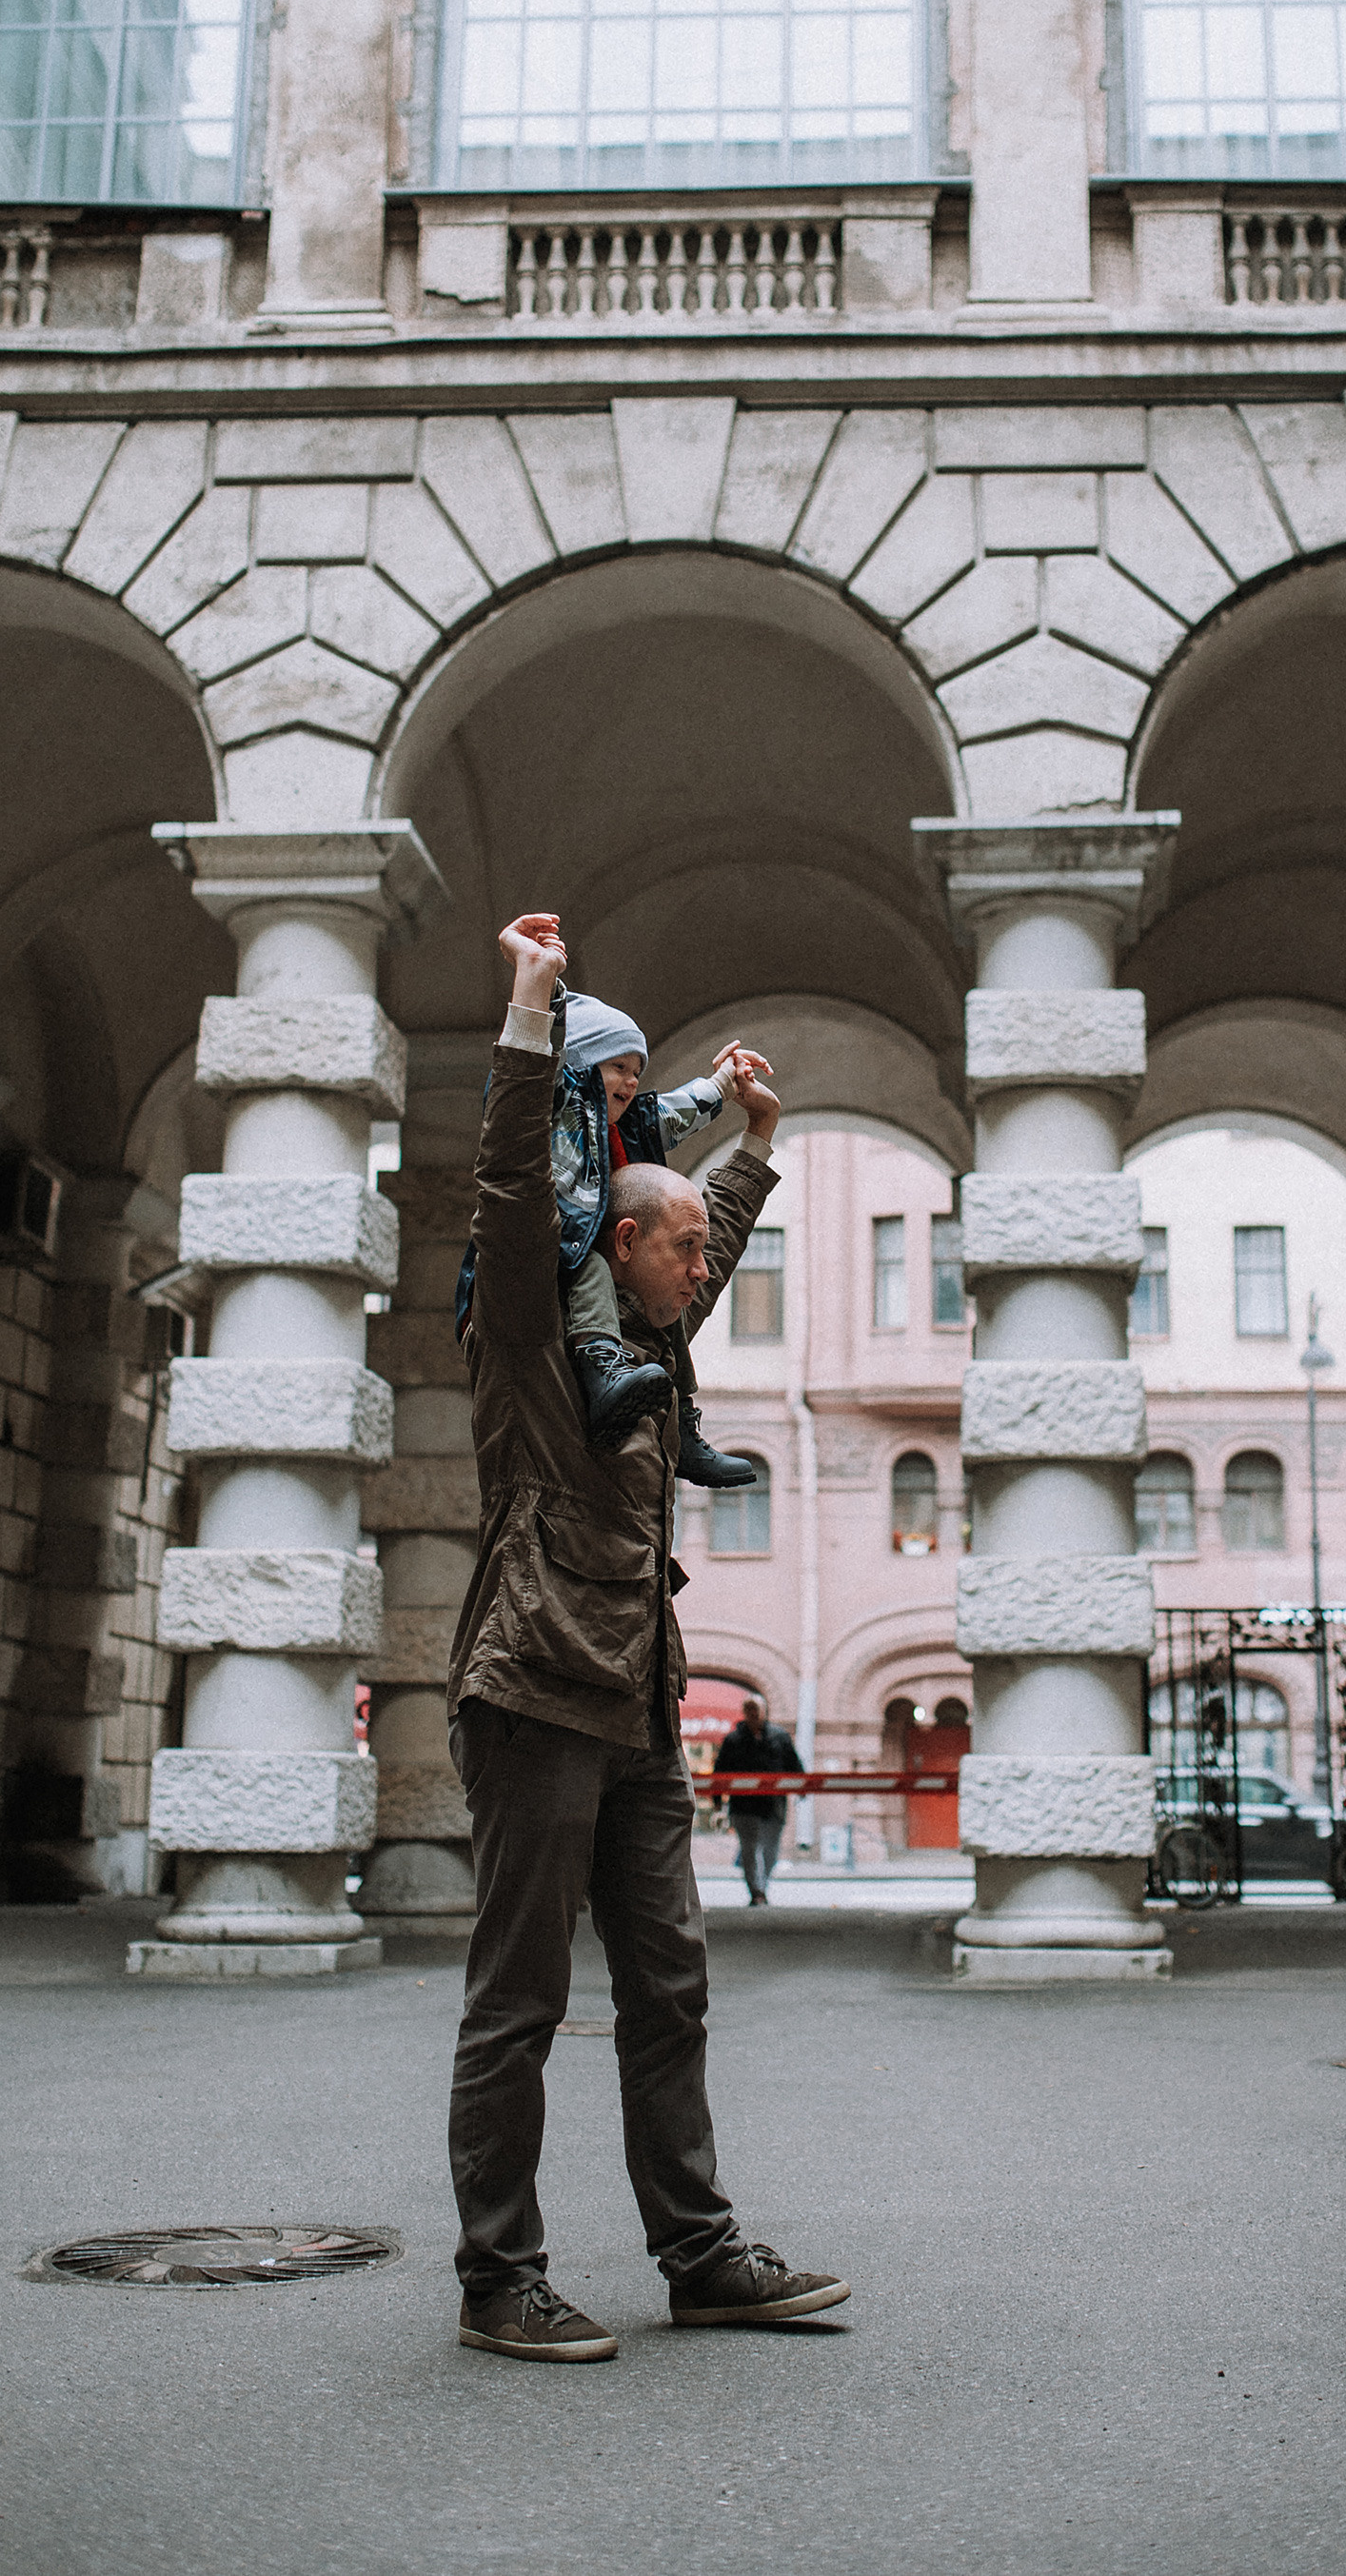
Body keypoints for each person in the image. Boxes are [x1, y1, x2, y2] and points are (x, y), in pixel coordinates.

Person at [445, 910, 851, 2365]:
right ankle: (501, 2278)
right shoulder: (535, 1335)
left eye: (704, 1248)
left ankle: (697, 2254)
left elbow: (705, 1221)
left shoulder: (651, 1336)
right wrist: (528, 1019)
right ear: (622, 1247)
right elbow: (510, 1182)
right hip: (535, 1683)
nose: (706, 1270)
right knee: (523, 1999)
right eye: (681, 1250)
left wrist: (751, 1143)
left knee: (667, 1983)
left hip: (634, 1697)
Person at [452, 980, 768, 1490]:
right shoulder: (561, 1107)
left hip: (587, 1256)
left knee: (672, 1315)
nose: (629, 1081)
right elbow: (516, 1100)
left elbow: (679, 1110)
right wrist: (538, 998)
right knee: (594, 1267)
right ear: (581, 1065)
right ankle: (601, 1369)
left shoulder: (634, 1126)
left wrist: (727, 1087)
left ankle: (680, 1416)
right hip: (549, 1251)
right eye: (617, 1066)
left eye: (636, 1071)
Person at [715, 1695, 803, 1905]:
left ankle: (761, 1887)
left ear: (765, 1711)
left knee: (770, 1849)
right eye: (749, 1709)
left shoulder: (780, 1737)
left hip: (773, 1804)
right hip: (744, 1806)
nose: (753, 1713)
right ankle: (757, 1891)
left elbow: (793, 1763)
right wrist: (717, 1800)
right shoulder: (733, 1740)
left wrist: (802, 1787)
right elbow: (720, 1771)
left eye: (756, 1709)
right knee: (750, 1848)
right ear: (744, 1713)